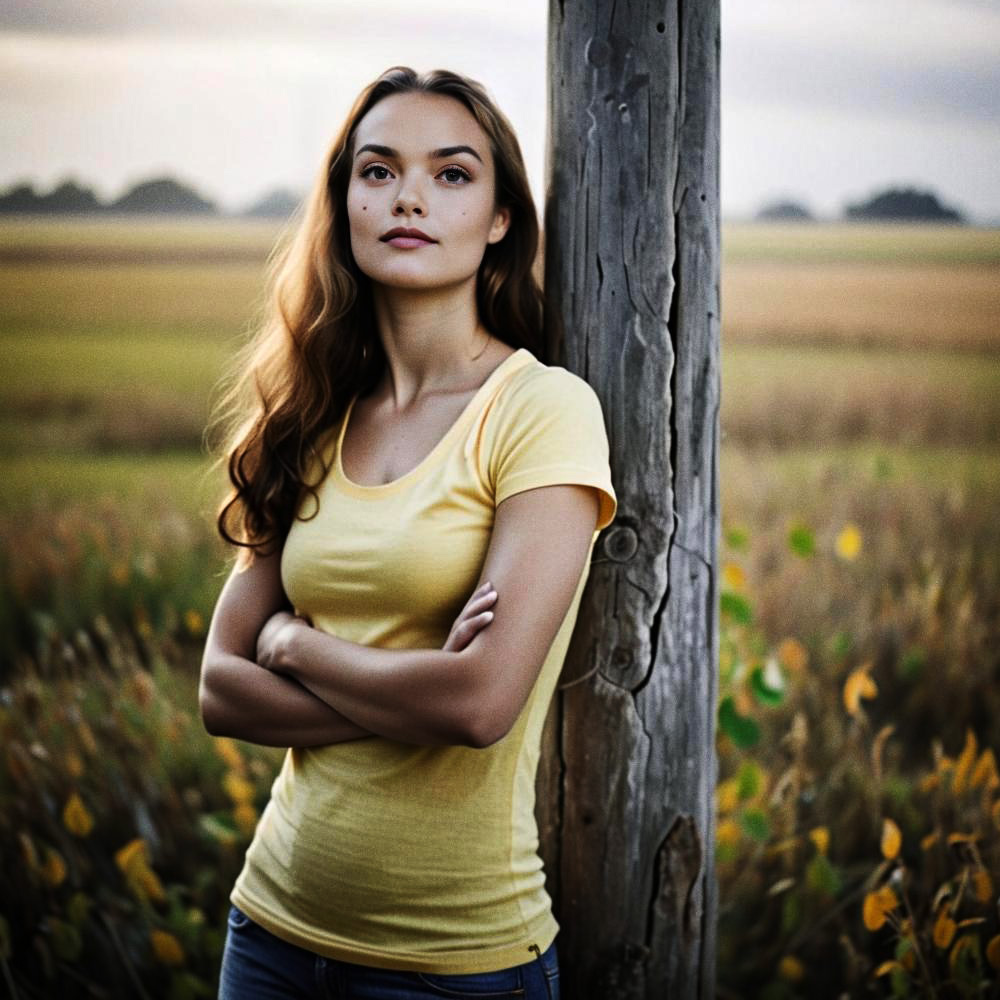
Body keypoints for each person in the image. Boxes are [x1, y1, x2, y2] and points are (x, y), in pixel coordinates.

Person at [199, 65, 616, 1000]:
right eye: (378, 171)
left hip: (454, 962)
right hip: (267, 930)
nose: (411, 197)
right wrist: (410, 691)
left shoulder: (542, 411)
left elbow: (475, 708)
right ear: (344, 201)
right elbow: (222, 691)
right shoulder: (314, 412)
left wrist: (296, 645)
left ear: (500, 216)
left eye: (453, 174)